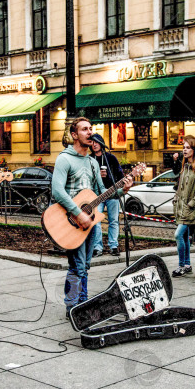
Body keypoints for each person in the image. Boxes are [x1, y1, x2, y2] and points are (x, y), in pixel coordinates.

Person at [52, 118, 132, 313]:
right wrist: (78, 213)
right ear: (74, 135)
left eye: (91, 129)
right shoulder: (65, 159)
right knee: (78, 266)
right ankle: (80, 307)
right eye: (84, 129)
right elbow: (57, 191)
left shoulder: (92, 162)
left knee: (83, 266)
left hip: (90, 221)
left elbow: (101, 192)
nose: (90, 132)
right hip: (70, 221)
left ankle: (72, 304)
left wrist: (123, 190)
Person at [171, 135, 195, 277]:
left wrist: (191, 204)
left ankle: (181, 265)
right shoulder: (185, 166)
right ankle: (188, 264)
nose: (185, 150)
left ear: (194, 149)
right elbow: (180, 188)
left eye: (188, 147)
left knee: (178, 234)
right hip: (181, 206)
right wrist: (176, 199)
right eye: (183, 147)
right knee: (184, 236)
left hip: (190, 208)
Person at [89, 133, 124, 257]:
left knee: (113, 220)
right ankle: (97, 247)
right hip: (96, 196)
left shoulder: (110, 158)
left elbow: (120, 176)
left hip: (112, 194)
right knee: (96, 221)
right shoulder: (89, 159)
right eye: (92, 142)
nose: (94, 144)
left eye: (96, 142)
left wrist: (108, 175)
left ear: (102, 143)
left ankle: (113, 245)